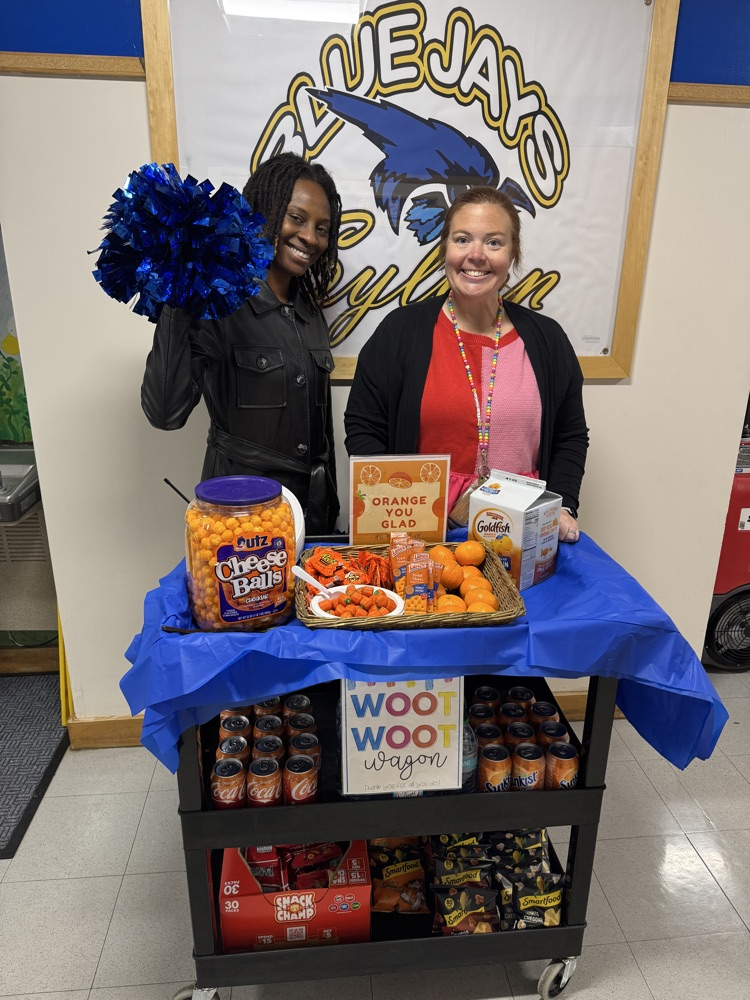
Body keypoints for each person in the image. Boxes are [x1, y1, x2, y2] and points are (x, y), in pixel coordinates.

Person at [344, 186, 588, 542]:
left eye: (493, 242)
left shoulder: (548, 340)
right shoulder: (399, 332)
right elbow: (363, 426)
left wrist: (563, 506)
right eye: (462, 239)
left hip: (520, 533)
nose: (476, 255)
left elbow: (570, 435)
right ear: (445, 249)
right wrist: (393, 507)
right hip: (421, 532)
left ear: (513, 254)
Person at [141, 152, 342, 534]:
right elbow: (166, 414)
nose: (310, 238)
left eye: (322, 228)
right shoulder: (218, 304)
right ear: (264, 213)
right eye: (296, 219)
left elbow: (322, 441)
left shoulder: (311, 313)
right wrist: (177, 299)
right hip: (240, 521)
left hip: (312, 520)